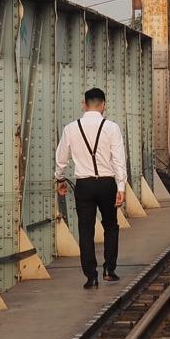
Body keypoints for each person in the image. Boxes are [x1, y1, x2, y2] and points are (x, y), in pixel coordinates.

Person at [54, 87, 127, 289]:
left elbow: (61, 159)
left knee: (85, 230)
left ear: (84, 105)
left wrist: (59, 179)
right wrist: (121, 188)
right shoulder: (112, 128)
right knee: (110, 226)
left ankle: (90, 276)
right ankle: (109, 270)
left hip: (84, 185)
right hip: (107, 183)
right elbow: (119, 160)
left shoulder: (71, 128)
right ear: (103, 106)